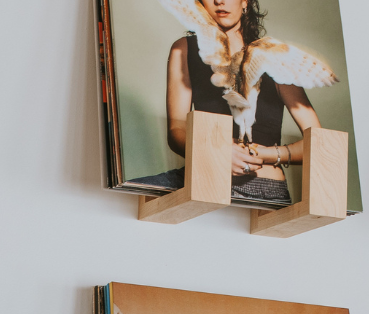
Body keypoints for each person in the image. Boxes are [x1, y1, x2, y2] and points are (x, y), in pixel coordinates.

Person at [129, 0, 337, 204]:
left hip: (263, 186)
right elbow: (177, 129)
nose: (219, 1)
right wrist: (216, 152)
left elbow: (318, 144)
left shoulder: (272, 56)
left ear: (245, 2)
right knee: (127, 196)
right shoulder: (184, 49)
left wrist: (260, 154)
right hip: (204, 176)